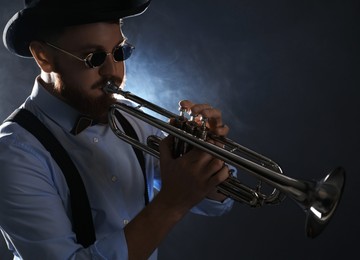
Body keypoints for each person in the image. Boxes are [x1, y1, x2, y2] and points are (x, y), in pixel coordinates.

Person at [0, 0, 235, 259]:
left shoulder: (130, 116)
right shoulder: (13, 153)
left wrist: (206, 160)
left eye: (119, 53)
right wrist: (170, 204)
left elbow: (211, 204)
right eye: (94, 58)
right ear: (43, 56)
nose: (113, 72)